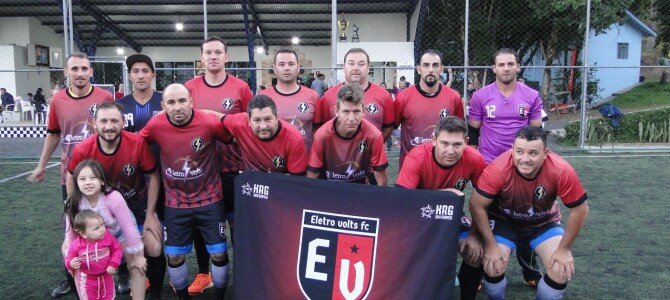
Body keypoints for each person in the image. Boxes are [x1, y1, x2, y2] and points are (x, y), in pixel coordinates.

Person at [27, 52, 114, 298]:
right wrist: (42, 165)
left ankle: (120, 274)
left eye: (84, 68)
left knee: (109, 224)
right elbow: (54, 134)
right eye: (74, 69)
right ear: (66, 72)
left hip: (103, 176)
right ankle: (71, 276)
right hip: (72, 177)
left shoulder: (105, 97)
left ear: (91, 72)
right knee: (74, 228)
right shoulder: (57, 100)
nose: (79, 73)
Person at [469, 126, 589, 300]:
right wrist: (491, 245)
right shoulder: (498, 169)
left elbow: (580, 209)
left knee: (560, 271)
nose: (525, 159)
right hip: (505, 222)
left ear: (545, 153)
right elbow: (476, 205)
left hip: (543, 223)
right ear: (512, 150)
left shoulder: (561, 170)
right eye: (519, 152)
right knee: (493, 265)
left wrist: (564, 249)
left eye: (533, 153)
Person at [139, 83, 231, 300]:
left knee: (218, 252)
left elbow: (233, 139)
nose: (177, 107)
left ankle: (219, 297)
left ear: (191, 101)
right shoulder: (156, 125)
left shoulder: (208, 122)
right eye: (171, 102)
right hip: (175, 203)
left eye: (182, 101)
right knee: (175, 258)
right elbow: (136, 144)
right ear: (163, 106)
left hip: (210, 199)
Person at [68, 102, 162, 299]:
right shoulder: (83, 149)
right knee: (74, 251)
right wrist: (73, 205)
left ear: (123, 122)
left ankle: (154, 292)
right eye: (103, 121)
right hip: (98, 210)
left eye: (114, 121)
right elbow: (71, 176)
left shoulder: (136, 143)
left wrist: (151, 214)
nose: (109, 126)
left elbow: (153, 176)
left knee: (153, 247)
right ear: (94, 123)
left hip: (134, 203)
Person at [467, 48, 545, 286]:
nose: (506, 68)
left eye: (510, 64)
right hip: (490, 167)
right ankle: (479, 272)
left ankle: (530, 272)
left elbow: (536, 134)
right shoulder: (480, 96)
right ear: (494, 69)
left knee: (526, 218)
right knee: (485, 220)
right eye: (501, 64)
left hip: (522, 168)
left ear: (518, 67)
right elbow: (473, 133)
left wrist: (533, 165)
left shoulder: (531, 96)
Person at [185, 36, 253, 295]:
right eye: (207, 53)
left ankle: (242, 273)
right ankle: (204, 274)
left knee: (237, 225)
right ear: (201, 58)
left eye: (217, 52)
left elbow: (250, 123)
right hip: (199, 170)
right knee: (201, 224)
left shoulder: (241, 88)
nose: (212, 57)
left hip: (233, 169)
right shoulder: (189, 88)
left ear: (226, 57)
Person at [395, 116, 487, 300]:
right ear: (434, 140)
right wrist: (443, 195)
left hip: (452, 215)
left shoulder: (475, 159)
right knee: (418, 260)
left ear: (466, 143)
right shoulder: (417, 157)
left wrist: (475, 235)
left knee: (475, 254)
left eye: (457, 144)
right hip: (418, 217)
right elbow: (402, 204)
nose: (450, 150)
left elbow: (484, 201)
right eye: (444, 143)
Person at [63, 160, 146, 300]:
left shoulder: (113, 197)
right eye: (82, 179)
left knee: (137, 265)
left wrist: (138, 256)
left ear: (102, 181)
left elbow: (128, 228)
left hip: (118, 234)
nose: (88, 182)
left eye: (93, 178)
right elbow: (70, 231)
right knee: (73, 261)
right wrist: (70, 259)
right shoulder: (73, 201)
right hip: (89, 238)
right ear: (76, 183)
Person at [394, 49, 464, 169]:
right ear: (418, 69)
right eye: (426, 65)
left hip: (444, 168)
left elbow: (460, 131)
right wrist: (401, 139)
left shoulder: (454, 97)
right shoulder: (403, 98)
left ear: (441, 69)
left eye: (435, 65)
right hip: (411, 168)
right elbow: (391, 127)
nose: (430, 70)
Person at [307, 83, 388, 185]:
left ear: (364, 111)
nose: (351, 118)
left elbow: (381, 180)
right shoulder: (322, 135)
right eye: (346, 111)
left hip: (360, 187)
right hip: (329, 187)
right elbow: (313, 174)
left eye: (356, 111)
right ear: (336, 111)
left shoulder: (374, 135)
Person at [219, 94, 308, 175]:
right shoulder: (239, 123)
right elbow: (214, 116)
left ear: (276, 117)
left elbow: (297, 179)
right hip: (251, 183)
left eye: (268, 119)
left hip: (280, 185)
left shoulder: (294, 138)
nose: (263, 126)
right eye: (257, 120)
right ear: (249, 120)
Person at [320, 48, 394, 142]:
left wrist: (371, 147)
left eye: (361, 64)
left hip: (371, 155)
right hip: (338, 155)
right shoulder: (328, 97)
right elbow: (324, 130)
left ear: (368, 68)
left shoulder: (384, 95)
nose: (356, 68)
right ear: (344, 67)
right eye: (351, 63)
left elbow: (388, 129)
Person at [259, 49, 321, 153]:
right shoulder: (262, 97)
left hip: (304, 160)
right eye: (281, 64)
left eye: (291, 64)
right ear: (274, 68)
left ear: (298, 67)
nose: (286, 68)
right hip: (272, 160)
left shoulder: (313, 96)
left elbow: (318, 130)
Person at [65, 209, 123, 300]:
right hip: (87, 280)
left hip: (107, 277)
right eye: (96, 228)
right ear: (83, 234)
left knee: (108, 297)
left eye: (102, 224)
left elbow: (117, 249)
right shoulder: (76, 244)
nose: (102, 229)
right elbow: (68, 258)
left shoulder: (108, 237)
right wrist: (71, 263)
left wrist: (113, 264)